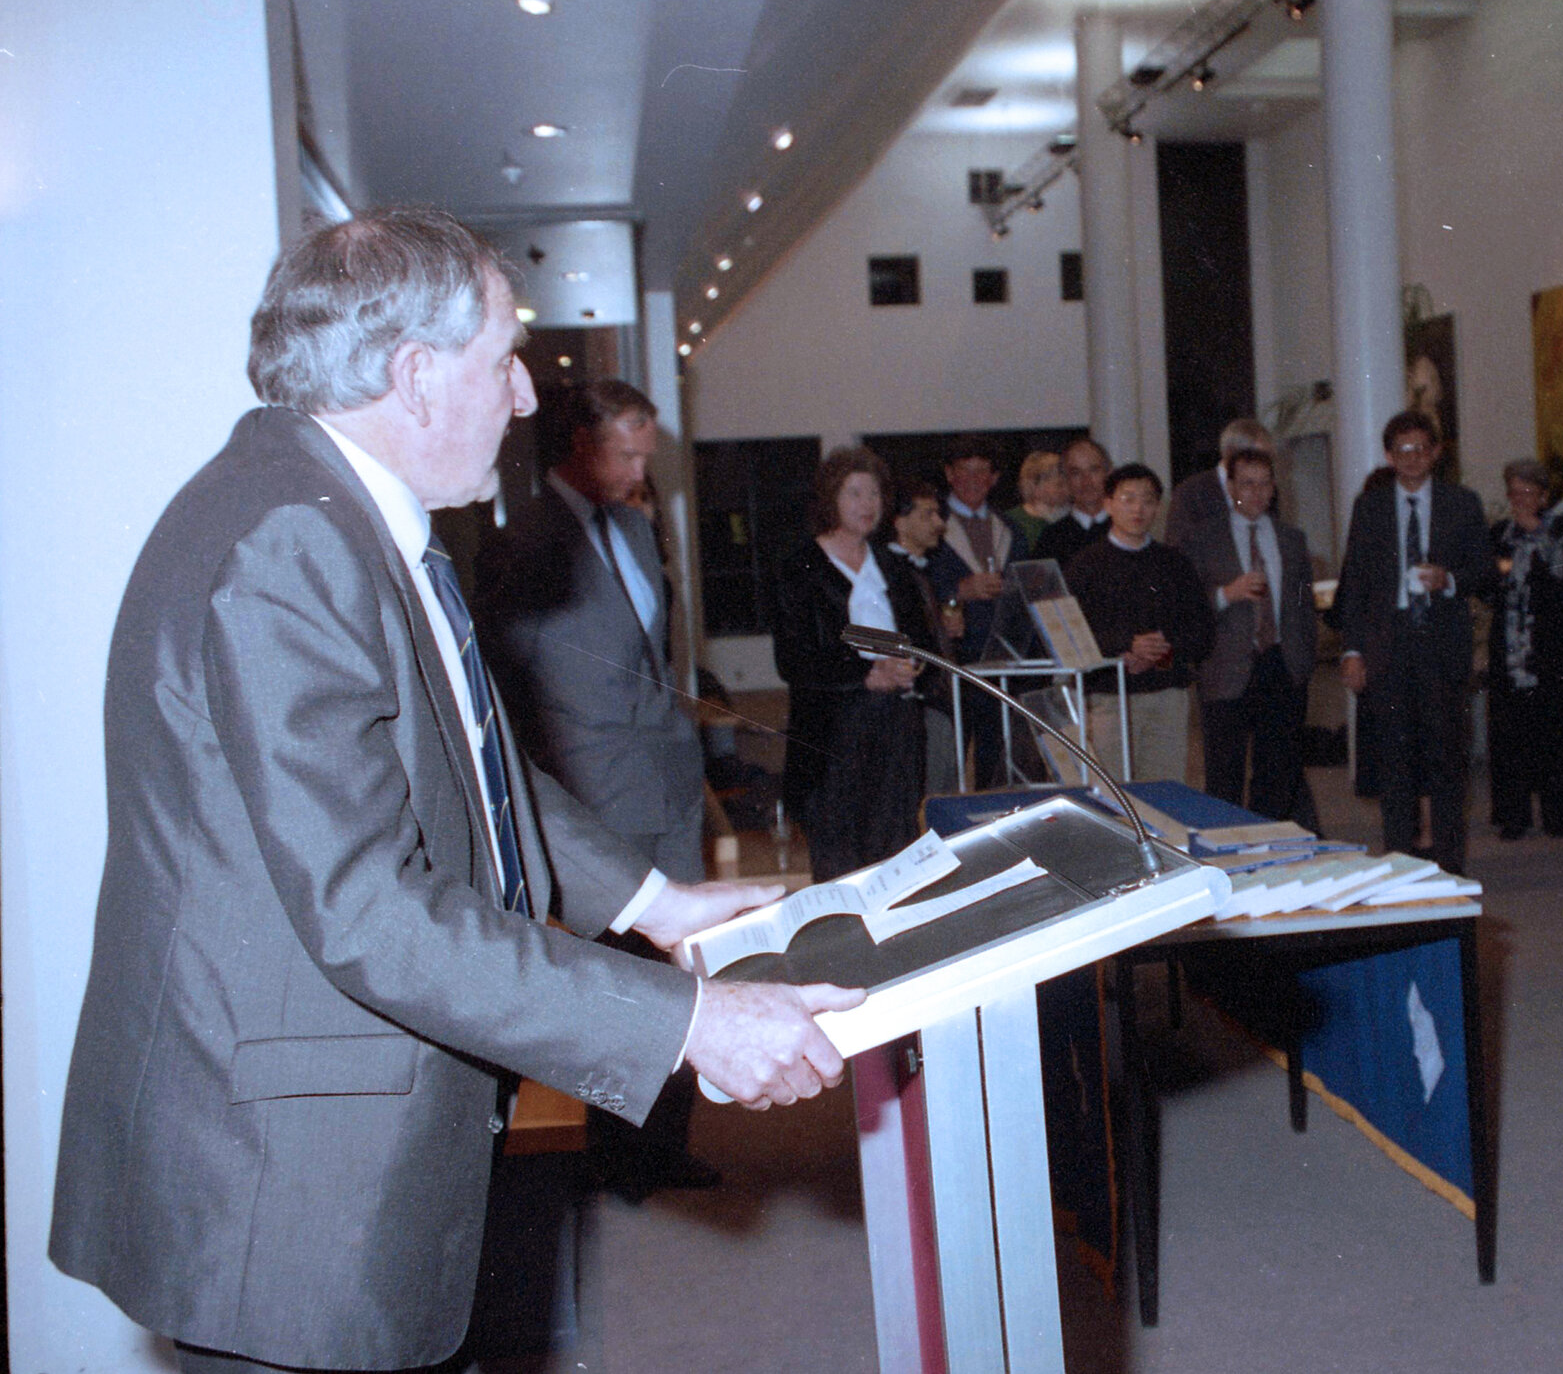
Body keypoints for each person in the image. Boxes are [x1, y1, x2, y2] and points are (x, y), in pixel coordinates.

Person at [46, 209, 858, 1374]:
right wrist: (685, 1021)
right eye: (502, 363)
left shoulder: (322, 508)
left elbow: (466, 752)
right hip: (282, 1187)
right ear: (414, 375)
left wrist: (650, 902)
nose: (526, 399)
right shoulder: (292, 541)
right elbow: (368, 908)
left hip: (307, 1145)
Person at [472, 378, 716, 1199]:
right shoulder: (526, 538)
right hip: (595, 784)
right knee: (615, 970)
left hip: (665, 774)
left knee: (681, 965)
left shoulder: (639, 532)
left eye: (649, 453)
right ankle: (614, 1158)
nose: (641, 468)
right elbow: (503, 677)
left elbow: (655, 655)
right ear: (581, 444)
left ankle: (665, 1148)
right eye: (628, 451)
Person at [1335, 410, 1495, 870]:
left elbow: (1485, 573)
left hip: (1442, 646)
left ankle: (1448, 865)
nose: (1411, 458)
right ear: (1389, 455)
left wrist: (1448, 580)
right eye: (1402, 450)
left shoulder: (1461, 502)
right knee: (1395, 762)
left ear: (1436, 453)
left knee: (1447, 761)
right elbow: (1357, 583)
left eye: (1421, 449)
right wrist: (1352, 649)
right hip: (1389, 647)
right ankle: (1401, 865)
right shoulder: (1370, 507)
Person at [773, 448, 936, 881]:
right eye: (855, 493)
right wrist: (866, 673)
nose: (868, 504)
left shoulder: (893, 566)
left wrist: (911, 665)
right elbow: (793, 659)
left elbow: (922, 641)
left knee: (898, 851)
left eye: (875, 494)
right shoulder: (800, 566)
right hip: (834, 735)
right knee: (842, 862)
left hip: (896, 726)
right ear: (830, 499)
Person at [1184, 449, 1317, 818]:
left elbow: (1303, 606)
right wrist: (1227, 594)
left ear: (1274, 487)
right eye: (1247, 484)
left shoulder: (1292, 538)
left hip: (1282, 665)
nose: (1257, 493)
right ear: (1230, 487)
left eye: (1264, 484)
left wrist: (1303, 662)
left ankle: (1270, 851)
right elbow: (1188, 605)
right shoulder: (1204, 538)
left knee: (1277, 773)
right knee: (1224, 774)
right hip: (1226, 668)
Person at [1065, 463, 1214, 783]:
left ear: (1158, 507)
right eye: (1128, 499)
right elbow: (1073, 632)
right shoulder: (1085, 565)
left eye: (1147, 500)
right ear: (1108, 504)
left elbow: (1202, 631)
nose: (1138, 509)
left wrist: (1162, 651)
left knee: (1165, 794)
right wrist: (1125, 647)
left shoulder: (1175, 563)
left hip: (1166, 697)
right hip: (1108, 698)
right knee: (1110, 794)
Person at [1484, 458, 1563, 840]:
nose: (1520, 499)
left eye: (1528, 491)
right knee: (1510, 734)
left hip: (1552, 649)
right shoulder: (1499, 532)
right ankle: (1513, 816)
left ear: (1544, 495)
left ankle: (1557, 815)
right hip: (1509, 647)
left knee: (1554, 732)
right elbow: (1488, 583)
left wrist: (1537, 535)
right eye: (1514, 492)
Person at [940, 435, 1022, 782]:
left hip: (1002, 660)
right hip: (953, 661)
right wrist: (959, 591)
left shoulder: (1011, 529)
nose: (973, 481)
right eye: (964, 472)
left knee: (998, 762)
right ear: (949, 475)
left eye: (981, 473)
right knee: (949, 760)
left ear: (995, 479)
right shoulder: (932, 524)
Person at [884, 475, 964, 796]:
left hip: (935, 699)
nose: (938, 523)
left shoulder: (919, 569)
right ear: (900, 522)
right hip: (917, 703)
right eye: (926, 515)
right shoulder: (892, 573)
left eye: (938, 514)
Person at [1166, 416, 1273, 552]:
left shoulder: (1268, 490)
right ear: (1230, 454)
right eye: (1256, 458)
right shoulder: (1191, 493)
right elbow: (1179, 549)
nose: (1264, 465)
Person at [1035, 437, 1113, 567]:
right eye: (1076, 473)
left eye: (1094, 470)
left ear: (1108, 473)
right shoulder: (1051, 539)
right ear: (1065, 479)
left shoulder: (1126, 531)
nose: (1086, 482)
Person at [1008, 448, 1069, 551]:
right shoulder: (1012, 521)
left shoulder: (1074, 517)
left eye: (1063, 474)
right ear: (1031, 484)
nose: (1059, 481)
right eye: (1048, 477)